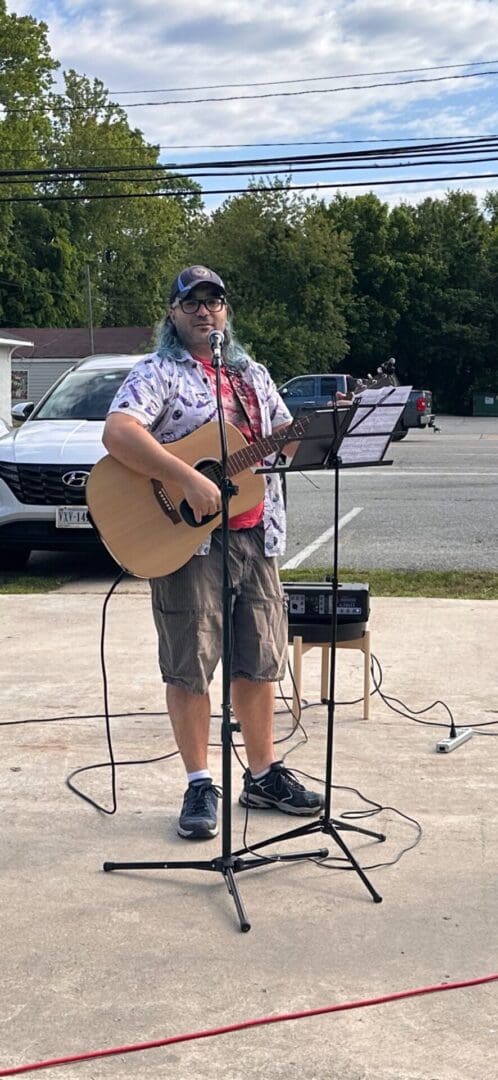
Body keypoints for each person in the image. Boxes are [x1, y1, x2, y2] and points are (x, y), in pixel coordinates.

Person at [103, 264, 324, 839]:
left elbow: (283, 439)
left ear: (226, 312)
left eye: (215, 301)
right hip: (188, 541)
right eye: (193, 302)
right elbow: (119, 433)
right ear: (173, 314)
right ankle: (201, 782)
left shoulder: (253, 376)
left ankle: (263, 773)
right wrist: (188, 477)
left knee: (259, 659)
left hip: (256, 535)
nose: (206, 311)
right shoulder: (157, 372)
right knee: (190, 665)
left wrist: (320, 425)